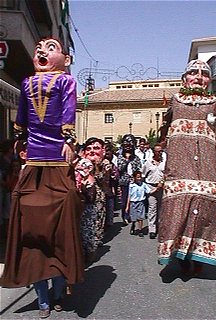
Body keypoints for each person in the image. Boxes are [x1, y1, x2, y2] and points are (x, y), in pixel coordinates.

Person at [0, 38, 85, 318]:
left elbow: (68, 110)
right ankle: (43, 297)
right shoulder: (25, 82)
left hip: (57, 152)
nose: (41, 51)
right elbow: (22, 115)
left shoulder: (66, 81)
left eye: (51, 47)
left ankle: (60, 287)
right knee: (25, 211)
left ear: (66, 59)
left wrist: (69, 140)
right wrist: (20, 140)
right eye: (39, 48)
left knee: (66, 203)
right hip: (34, 155)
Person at [158, 59, 216, 275]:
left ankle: (197, 253)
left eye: (204, 74)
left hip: (205, 166)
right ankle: (178, 253)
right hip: (179, 164)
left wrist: (215, 158)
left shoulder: (214, 102)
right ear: (184, 78)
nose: (198, 76)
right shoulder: (176, 100)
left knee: (204, 208)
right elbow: (164, 129)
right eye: (193, 72)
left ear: (209, 80)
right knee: (177, 207)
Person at [142, 143, 166, 239]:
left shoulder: (164, 162)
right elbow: (143, 175)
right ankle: (152, 229)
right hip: (151, 186)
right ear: (153, 152)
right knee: (152, 208)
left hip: (162, 187)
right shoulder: (148, 163)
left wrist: (162, 182)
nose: (160, 153)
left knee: (161, 209)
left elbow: (167, 173)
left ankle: (160, 228)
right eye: (158, 151)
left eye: (161, 151)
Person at [117, 134, 142, 225]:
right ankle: (124, 215)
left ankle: (132, 215)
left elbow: (139, 169)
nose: (128, 148)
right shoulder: (120, 157)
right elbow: (119, 168)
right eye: (126, 146)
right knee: (124, 201)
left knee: (134, 201)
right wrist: (126, 159)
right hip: (124, 182)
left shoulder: (136, 158)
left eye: (129, 146)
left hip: (134, 183)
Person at [126, 170, 157, 237]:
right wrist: (127, 206)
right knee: (134, 217)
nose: (139, 179)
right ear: (134, 177)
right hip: (133, 203)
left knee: (140, 217)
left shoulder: (143, 185)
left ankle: (140, 230)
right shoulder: (131, 185)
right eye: (137, 177)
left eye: (140, 177)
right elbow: (129, 195)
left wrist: (157, 188)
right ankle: (133, 225)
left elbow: (149, 192)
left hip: (141, 202)